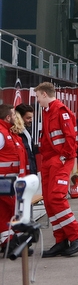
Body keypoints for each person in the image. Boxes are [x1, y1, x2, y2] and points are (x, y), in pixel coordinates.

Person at [36, 82, 78, 257]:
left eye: (37, 97)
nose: (37, 101)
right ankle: (60, 240)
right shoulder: (48, 111)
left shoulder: (61, 111)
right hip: (50, 160)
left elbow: (70, 137)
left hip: (60, 159)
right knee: (50, 201)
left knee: (56, 198)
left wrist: (64, 156)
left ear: (44, 94)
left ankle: (77, 236)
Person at [0, 104, 28, 243]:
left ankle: (9, 240)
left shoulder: (9, 133)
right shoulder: (1, 133)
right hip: (4, 180)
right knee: (13, 210)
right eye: (13, 114)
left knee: (8, 212)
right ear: (7, 117)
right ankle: (9, 240)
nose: (16, 117)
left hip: (10, 180)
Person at [14, 103, 37, 174]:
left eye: (31, 117)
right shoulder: (16, 133)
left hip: (30, 170)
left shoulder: (26, 130)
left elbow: (31, 153)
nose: (31, 120)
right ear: (19, 118)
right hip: (24, 172)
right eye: (28, 118)